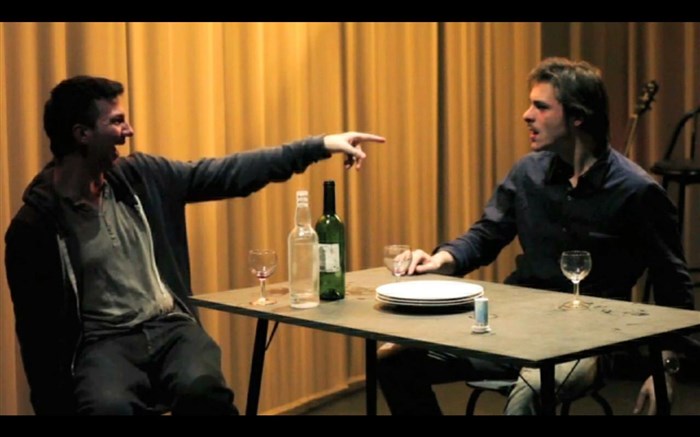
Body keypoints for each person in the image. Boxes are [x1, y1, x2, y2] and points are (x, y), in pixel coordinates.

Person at [4, 75, 385, 415]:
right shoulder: (35, 227)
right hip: (103, 344)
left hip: (169, 326)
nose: (129, 130)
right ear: (82, 134)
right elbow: (36, 337)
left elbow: (227, 173)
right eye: (117, 121)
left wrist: (320, 145)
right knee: (108, 408)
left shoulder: (141, 176)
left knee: (203, 390)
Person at [376, 57, 694, 415]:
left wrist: (666, 368)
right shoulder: (527, 172)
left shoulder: (636, 190)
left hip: (591, 340)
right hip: (514, 325)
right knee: (393, 360)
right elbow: (486, 234)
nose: (527, 115)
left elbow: (672, 282)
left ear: (577, 116)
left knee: (529, 391)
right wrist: (440, 260)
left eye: (541, 107)